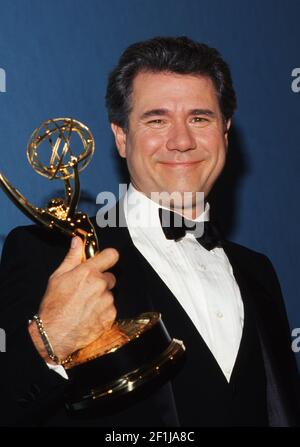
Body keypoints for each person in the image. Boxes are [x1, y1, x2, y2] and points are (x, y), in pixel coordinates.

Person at [0, 36, 299, 427]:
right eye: (156, 120)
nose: (181, 141)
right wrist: (48, 346)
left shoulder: (259, 271)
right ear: (121, 137)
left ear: (225, 132)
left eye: (199, 118)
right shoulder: (47, 253)